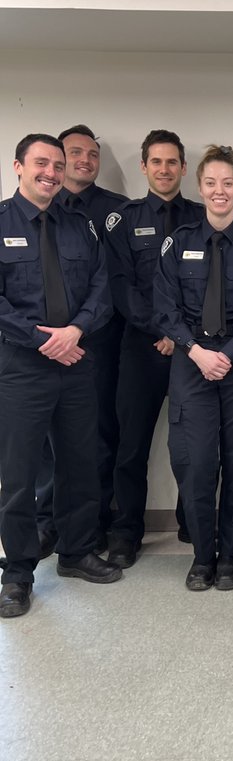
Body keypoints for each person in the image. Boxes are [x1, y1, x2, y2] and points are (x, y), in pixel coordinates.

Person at [0, 134, 122, 619]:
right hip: (22, 367)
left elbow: (101, 290)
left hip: (76, 362)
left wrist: (75, 331)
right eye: (41, 163)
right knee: (19, 474)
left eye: (57, 164)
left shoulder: (80, 227)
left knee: (79, 463)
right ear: (19, 166)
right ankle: (18, 574)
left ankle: (76, 552)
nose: (50, 172)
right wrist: (42, 339)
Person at [154, 145, 233, 592]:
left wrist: (231, 354)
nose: (219, 190)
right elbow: (165, 308)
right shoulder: (178, 242)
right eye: (211, 183)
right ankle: (202, 556)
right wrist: (197, 351)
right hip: (192, 363)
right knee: (197, 464)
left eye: (228, 183)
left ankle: (230, 556)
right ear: (200, 187)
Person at [104, 130, 204, 568]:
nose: (164, 170)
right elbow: (121, 287)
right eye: (156, 162)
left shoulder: (202, 217)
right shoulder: (123, 220)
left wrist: (180, 335)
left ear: (183, 168)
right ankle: (126, 531)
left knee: (192, 444)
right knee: (131, 446)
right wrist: (161, 330)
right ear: (144, 167)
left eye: (172, 162)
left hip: (188, 351)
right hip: (141, 348)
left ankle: (192, 520)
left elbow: (207, 289)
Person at [35, 124, 127, 555]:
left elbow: (113, 281)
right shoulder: (28, 211)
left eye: (93, 155)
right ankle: (46, 521)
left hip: (98, 343)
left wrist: (79, 331)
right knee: (42, 443)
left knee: (98, 435)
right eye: (75, 153)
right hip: (36, 348)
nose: (85, 161)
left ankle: (94, 522)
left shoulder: (117, 209)